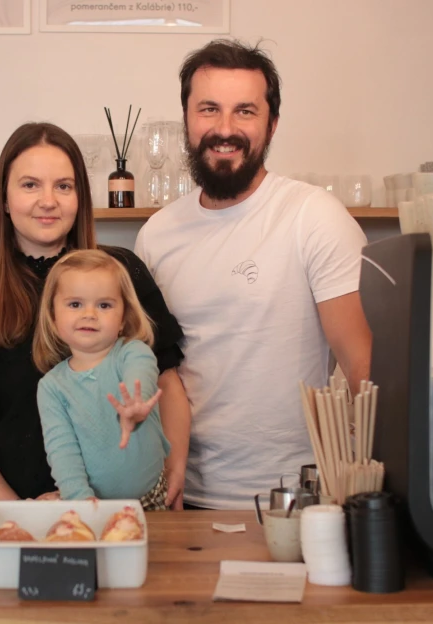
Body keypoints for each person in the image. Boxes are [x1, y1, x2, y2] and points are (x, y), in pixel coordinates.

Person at [134, 39, 372, 510]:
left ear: (272, 123)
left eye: (245, 111)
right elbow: (154, 372)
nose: (225, 129)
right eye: (209, 109)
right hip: (184, 496)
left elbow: (364, 367)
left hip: (300, 499)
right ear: (186, 118)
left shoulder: (313, 215)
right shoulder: (156, 236)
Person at [0, 122, 191, 508]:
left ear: (80, 198)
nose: (48, 200)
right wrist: (19, 514)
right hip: (24, 518)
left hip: (133, 512)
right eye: (30, 185)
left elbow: (167, 385)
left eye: (64, 186)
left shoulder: (121, 273)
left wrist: (174, 468)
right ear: (4, 199)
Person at [33, 249, 170, 509]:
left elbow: (140, 375)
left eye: (104, 305)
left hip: (150, 499)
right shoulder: (51, 387)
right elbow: (62, 451)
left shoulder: (132, 352)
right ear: (53, 318)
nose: (90, 314)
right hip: (91, 503)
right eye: (75, 304)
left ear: (122, 319)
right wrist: (79, 498)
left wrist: (132, 409)